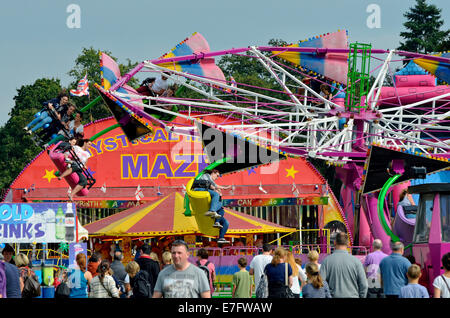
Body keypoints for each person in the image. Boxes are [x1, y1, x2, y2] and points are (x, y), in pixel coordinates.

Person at [320, 232, 368, 298]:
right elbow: (364, 285)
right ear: (348, 243)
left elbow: (321, 283)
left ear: (334, 242)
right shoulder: (356, 262)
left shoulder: (326, 261)